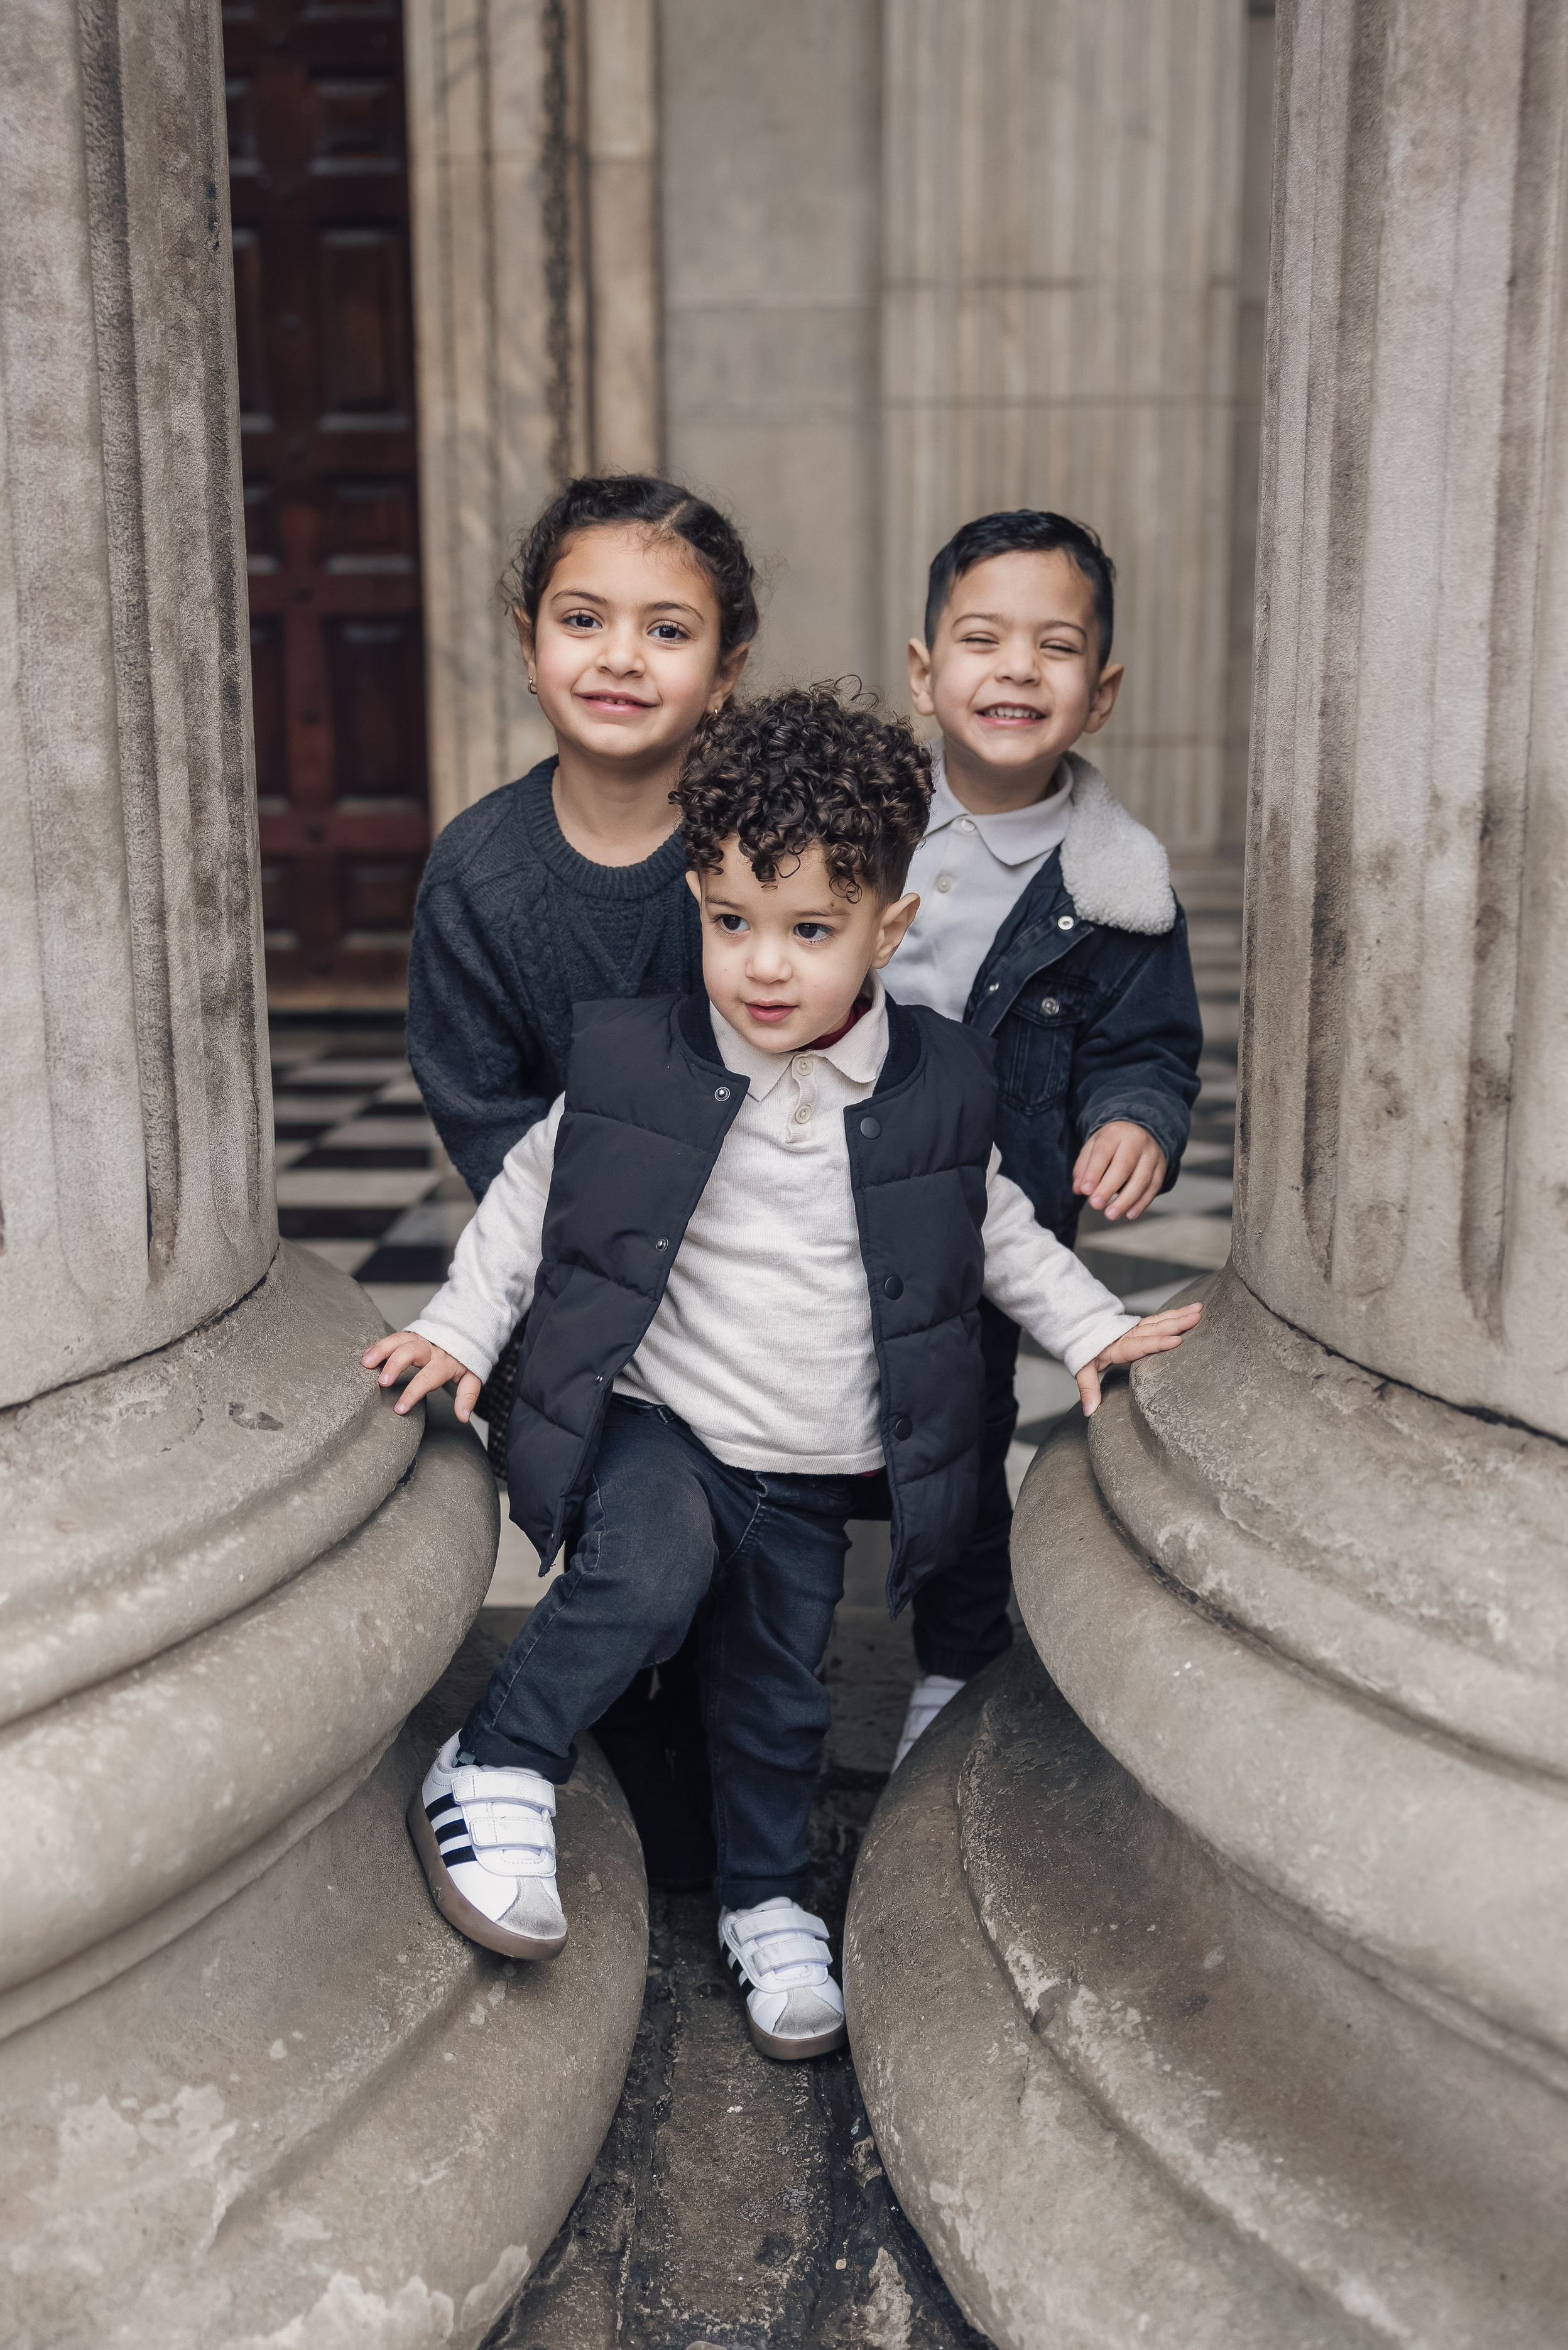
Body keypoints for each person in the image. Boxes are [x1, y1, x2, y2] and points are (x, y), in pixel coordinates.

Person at [362, 687, 1201, 2062]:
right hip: (668, 1427)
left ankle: (766, 1900)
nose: (762, 965)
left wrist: (1094, 1329)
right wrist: (458, 1329)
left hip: (811, 1466)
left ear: (889, 928)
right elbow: (529, 1195)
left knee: (775, 1694)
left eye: (810, 930)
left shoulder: (934, 1078)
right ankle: (502, 1758)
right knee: (639, 1575)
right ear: (695, 898)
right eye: (730, 920)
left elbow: (990, 1224)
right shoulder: (641, 1055)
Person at [406, 474, 758, 1878]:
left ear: (725, 669)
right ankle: (531, 1741)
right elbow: (485, 1111)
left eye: (666, 629)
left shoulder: (759, 854)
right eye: (582, 617)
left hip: (763, 1288)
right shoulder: (481, 876)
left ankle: (710, 1751)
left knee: (754, 1580)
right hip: (580, 1306)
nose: (619, 655)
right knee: (653, 1539)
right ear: (524, 634)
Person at [885, 510, 1202, 1767]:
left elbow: (1147, 1044)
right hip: (812, 1203)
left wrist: (1136, 1117)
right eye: (981, 638)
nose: (1015, 667)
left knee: (959, 1445)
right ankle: (758, 1643)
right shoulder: (858, 831)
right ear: (924, 673)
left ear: (1099, 691)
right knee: (788, 1428)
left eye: (1053, 646)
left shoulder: (1117, 889)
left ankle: (953, 1661)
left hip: (989, 1234)